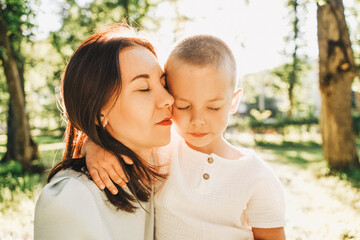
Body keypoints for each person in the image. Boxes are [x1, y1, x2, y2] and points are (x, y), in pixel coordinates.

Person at [84, 35, 286, 240]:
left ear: (233, 102)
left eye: (213, 107)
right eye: (184, 106)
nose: (198, 120)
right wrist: (93, 146)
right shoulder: (160, 152)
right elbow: (121, 140)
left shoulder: (257, 177)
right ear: (168, 98)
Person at [34, 24, 174, 240]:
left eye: (164, 84)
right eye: (144, 88)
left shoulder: (164, 163)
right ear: (99, 113)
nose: (168, 99)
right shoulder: (71, 200)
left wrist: (93, 142)